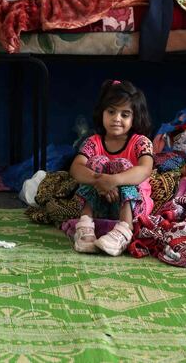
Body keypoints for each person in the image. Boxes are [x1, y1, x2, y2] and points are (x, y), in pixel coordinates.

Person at [70, 80, 154, 256]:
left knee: (122, 166)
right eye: (111, 112)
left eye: (125, 114)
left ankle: (124, 230)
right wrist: (99, 180)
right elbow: (76, 168)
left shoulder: (140, 143)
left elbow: (145, 170)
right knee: (95, 163)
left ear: (135, 117)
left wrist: (114, 180)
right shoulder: (93, 142)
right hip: (100, 202)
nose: (117, 118)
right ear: (102, 113)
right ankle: (85, 227)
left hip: (132, 207)